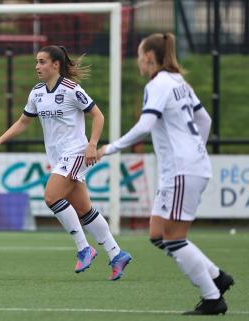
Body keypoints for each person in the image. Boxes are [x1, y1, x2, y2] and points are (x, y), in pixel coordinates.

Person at [97, 33, 234, 315]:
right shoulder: (177, 81)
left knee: (174, 238)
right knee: (158, 234)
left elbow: (146, 125)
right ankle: (218, 277)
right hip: (182, 167)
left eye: (138, 56)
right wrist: (196, 148)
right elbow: (204, 119)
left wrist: (109, 148)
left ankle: (213, 298)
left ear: (148, 57)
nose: (137, 62)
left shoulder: (158, 83)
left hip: (183, 169)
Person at [0, 45, 132, 280]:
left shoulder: (72, 89)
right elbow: (23, 122)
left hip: (75, 153)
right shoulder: (37, 92)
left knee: (51, 196)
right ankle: (116, 254)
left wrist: (92, 144)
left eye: (42, 62)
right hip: (58, 158)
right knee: (84, 209)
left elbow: (98, 115)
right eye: (36, 62)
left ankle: (84, 248)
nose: (37, 66)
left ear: (56, 64)